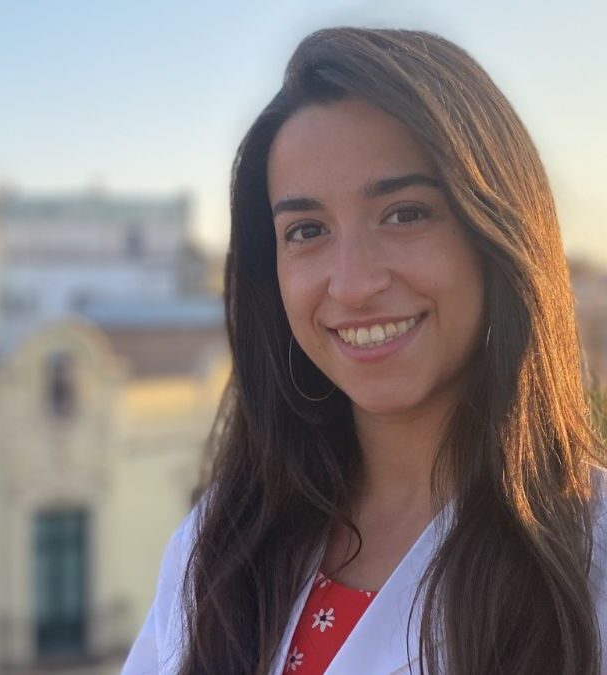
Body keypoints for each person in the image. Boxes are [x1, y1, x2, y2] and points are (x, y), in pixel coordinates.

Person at [122, 27, 607, 675]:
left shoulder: (592, 562)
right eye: (307, 230)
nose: (352, 284)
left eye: (404, 214)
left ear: (497, 231)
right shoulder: (219, 540)